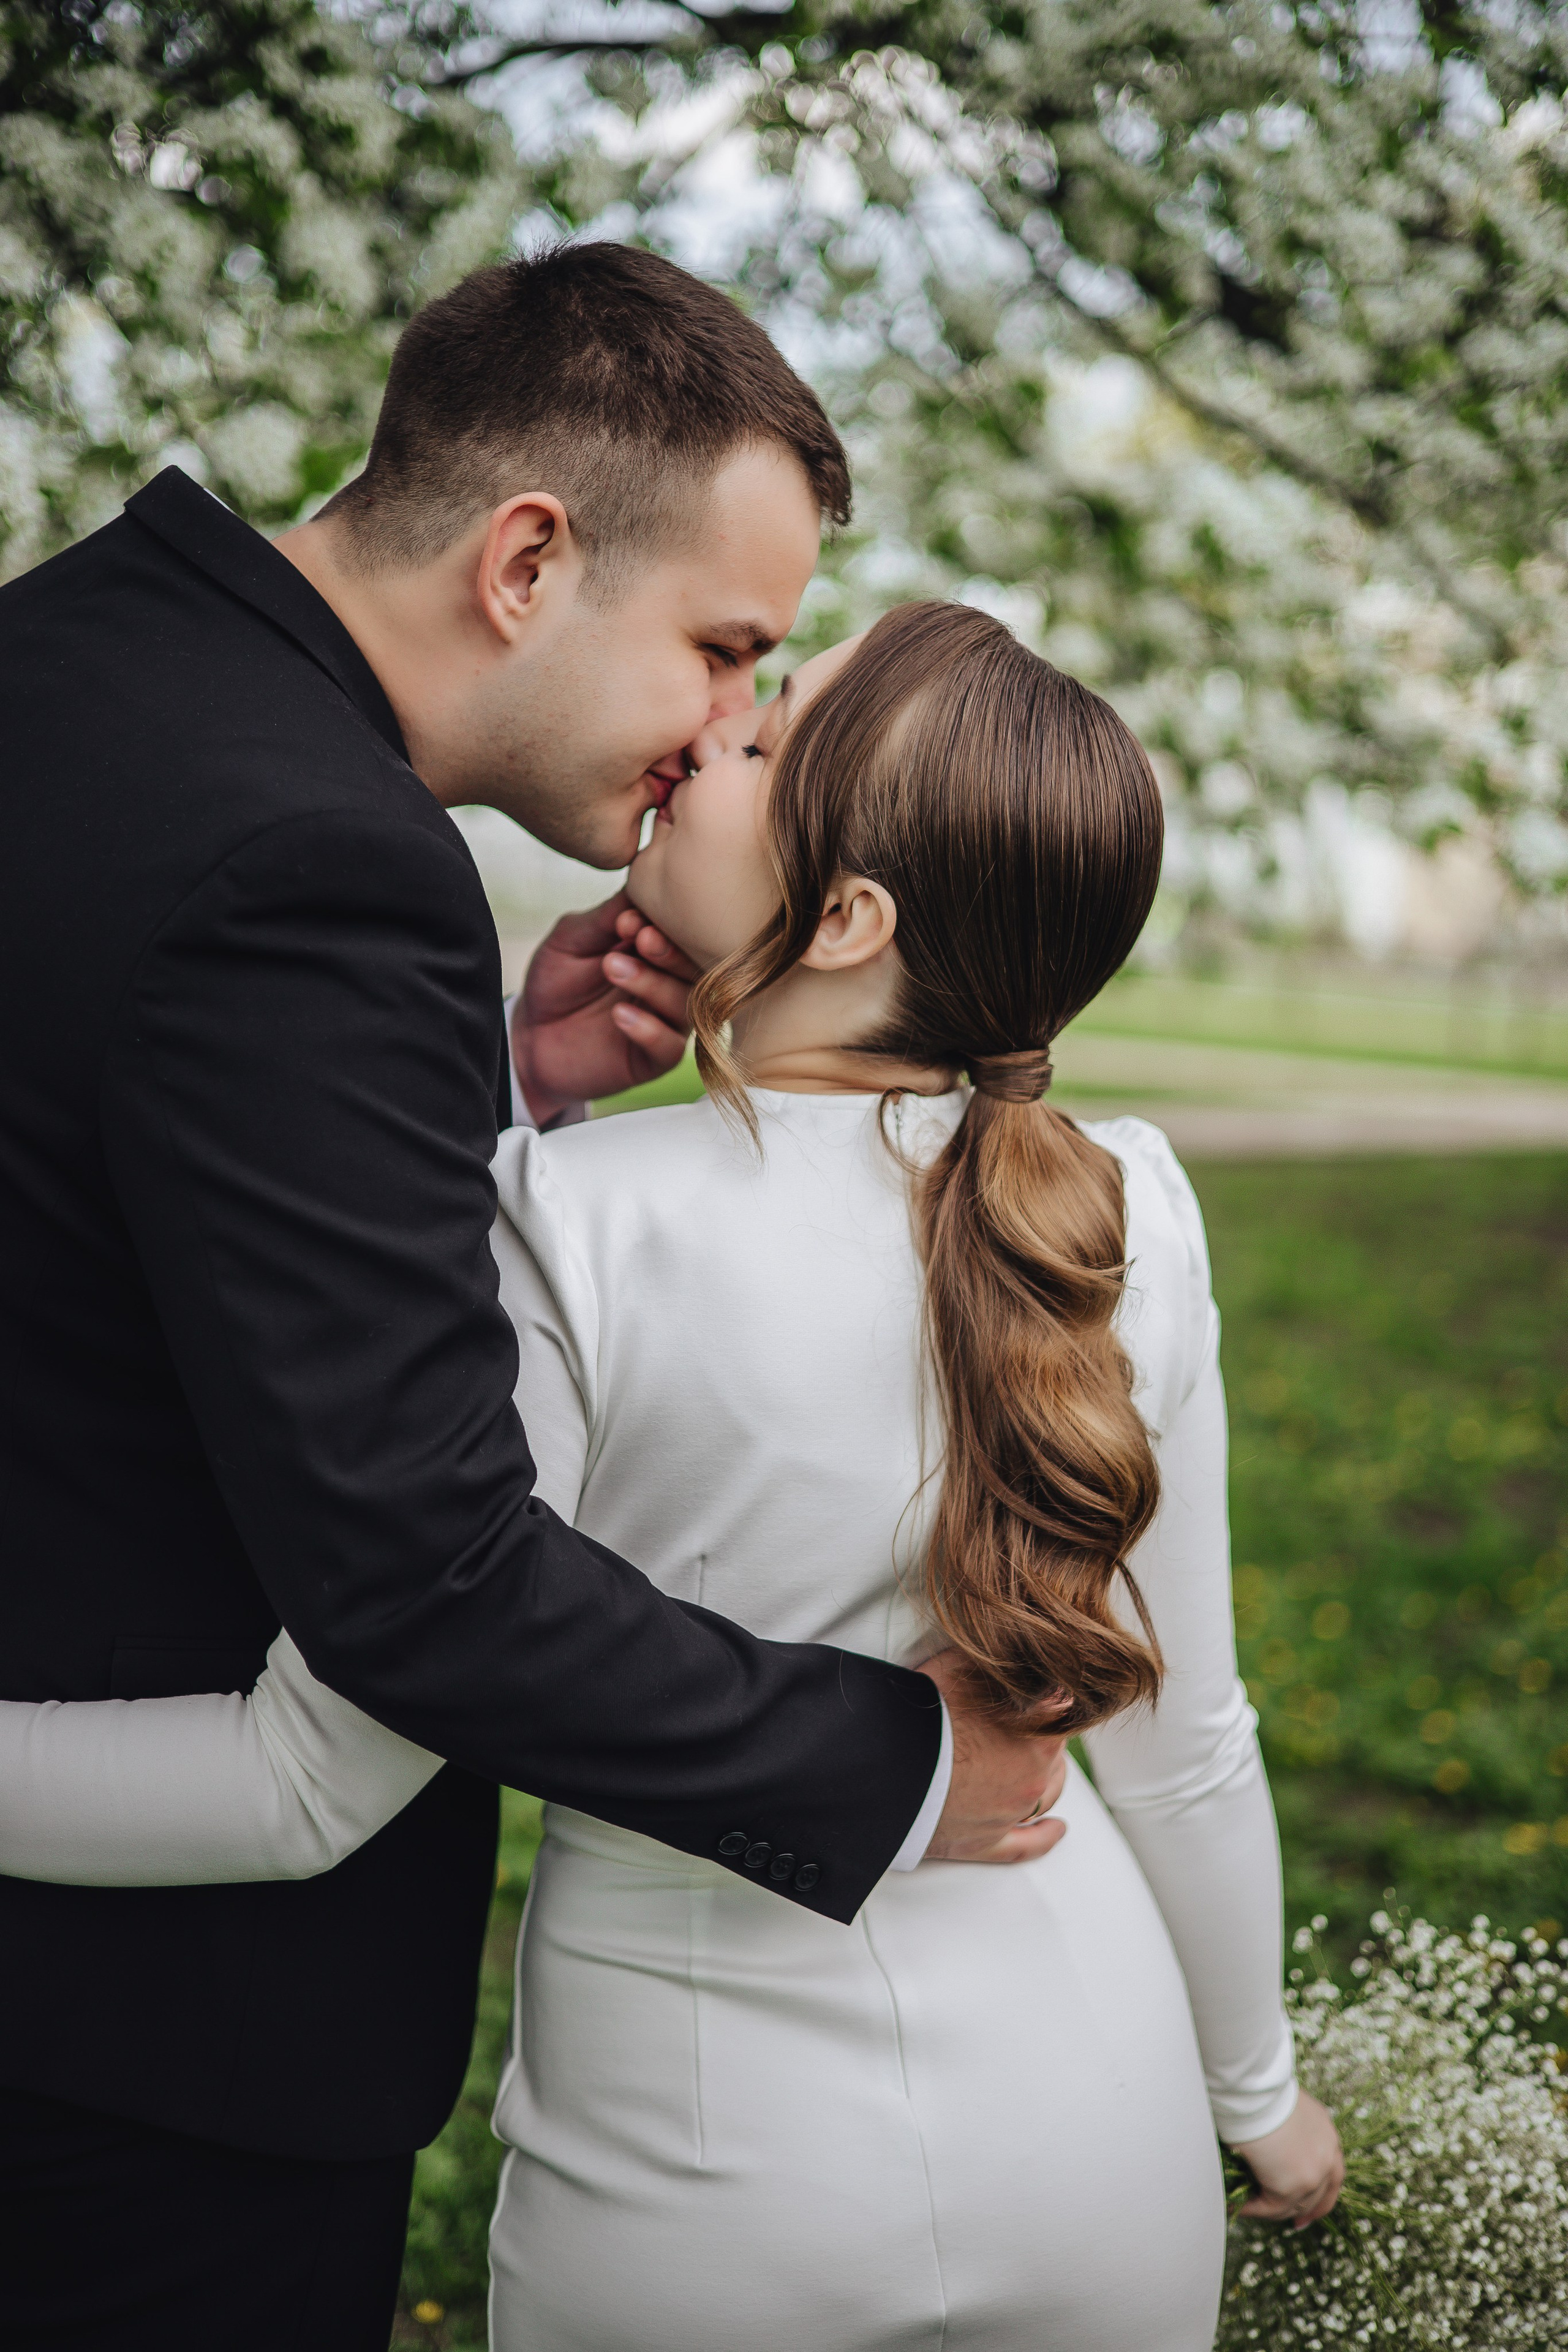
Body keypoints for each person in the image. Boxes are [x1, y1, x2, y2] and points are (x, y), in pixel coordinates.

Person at [0, 604, 1344, 2349]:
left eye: (769, 737)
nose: (711, 734)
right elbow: (1187, 1742)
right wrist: (1257, 2091)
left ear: (851, 918)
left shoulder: (569, 1221)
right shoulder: (1134, 1207)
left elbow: (305, 1781)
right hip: (1105, 2126)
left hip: (709, 2187)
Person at [0, 247, 1066, 2352]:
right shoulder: (325, 862)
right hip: (134, 2067)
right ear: (525, 559)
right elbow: (425, 1572)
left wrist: (492, 1083)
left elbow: (103, 1184)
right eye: (727, 651)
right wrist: (901, 1760)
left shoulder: (65, 654)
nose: (733, 735)